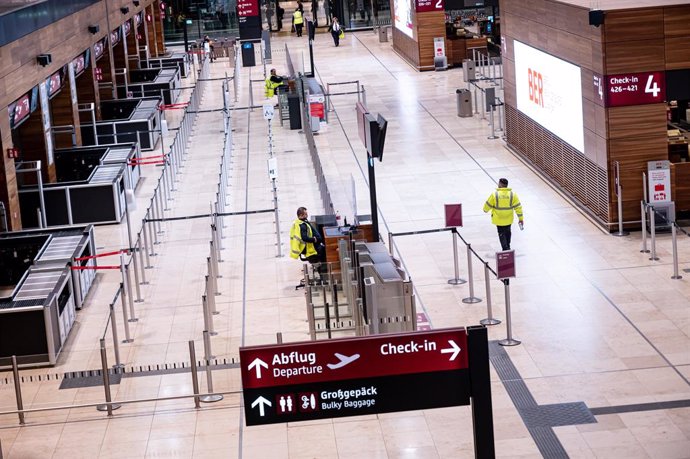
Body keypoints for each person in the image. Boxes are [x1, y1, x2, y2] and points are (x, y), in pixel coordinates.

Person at [482, 178, 524, 251]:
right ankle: (508, 246)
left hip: (498, 219)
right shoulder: (512, 194)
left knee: (501, 233)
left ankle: (505, 249)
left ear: (500, 184)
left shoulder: (494, 194)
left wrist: (485, 210)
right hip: (508, 219)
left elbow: (488, 204)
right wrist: (521, 219)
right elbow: (518, 207)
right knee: (508, 232)